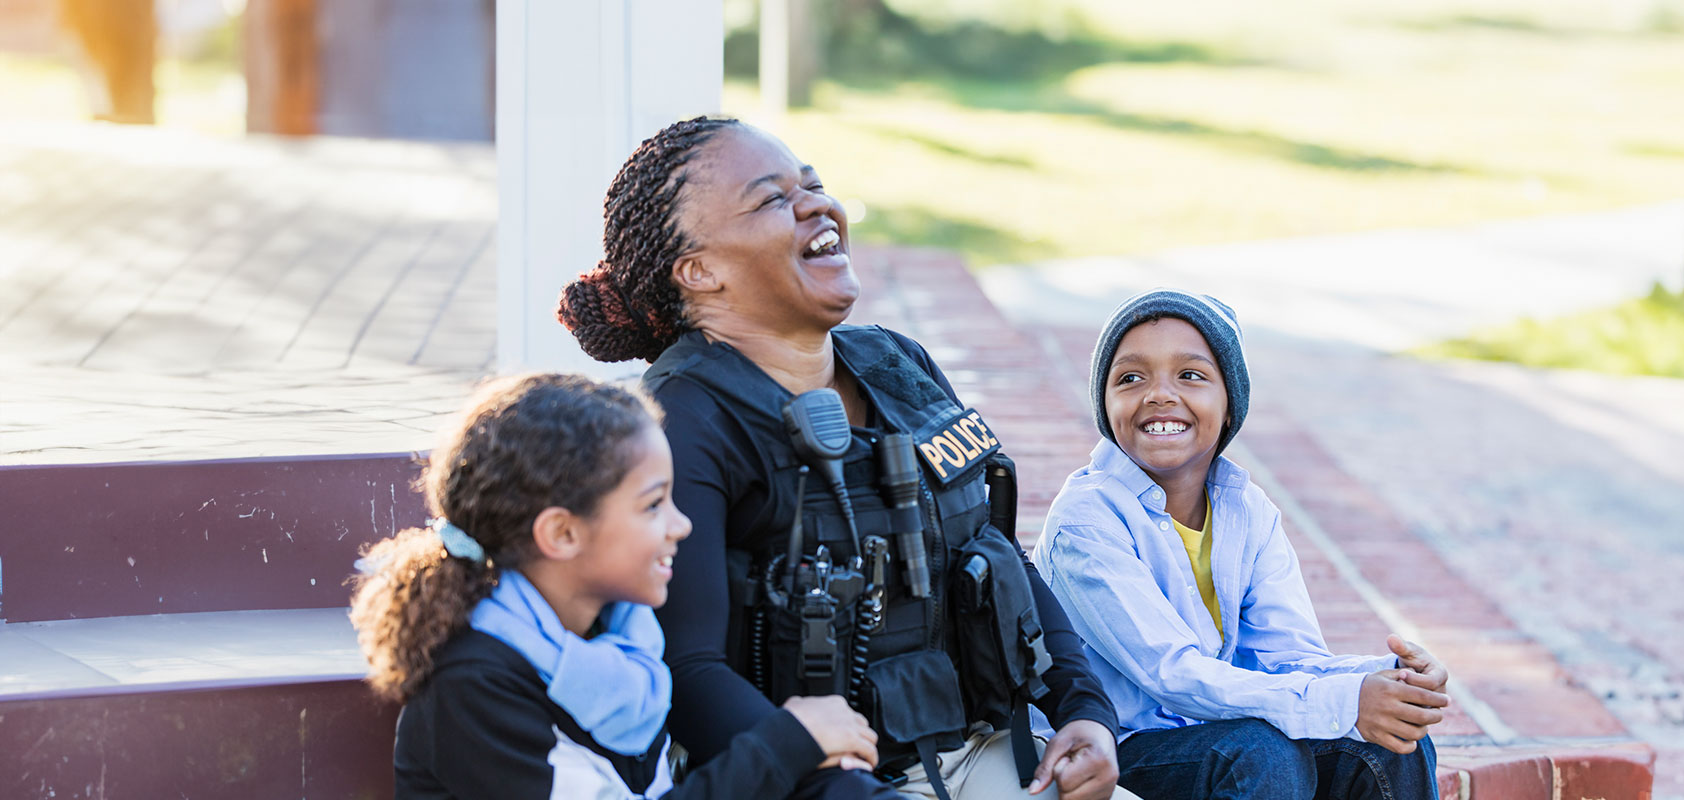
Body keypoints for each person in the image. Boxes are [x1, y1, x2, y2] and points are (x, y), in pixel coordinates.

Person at [555, 116, 1132, 800]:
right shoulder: (683, 420)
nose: (816, 206)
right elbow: (687, 666)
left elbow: (997, 554)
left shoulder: (899, 364)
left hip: (987, 753)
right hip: (811, 783)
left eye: (814, 185)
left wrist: (1085, 712)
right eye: (772, 199)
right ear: (700, 270)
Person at [349, 373, 877, 799]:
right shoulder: (474, 683)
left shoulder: (621, 634)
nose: (682, 525)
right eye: (653, 505)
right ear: (562, 533)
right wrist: (789, 741)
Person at [1031, 289, 1451, 800]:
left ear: (1230, 406)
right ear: (1106, 404)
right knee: (1259, 753)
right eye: (1130, 378)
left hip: (1215, 736)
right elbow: (1171, 673)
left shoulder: (1246, 510)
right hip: (1115, 752)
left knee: (1393, 744)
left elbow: (1285, 657)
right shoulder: (1086, 520)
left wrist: (1390, 681)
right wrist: (1345, 700)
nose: (1159, 394)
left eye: (1190, 375)